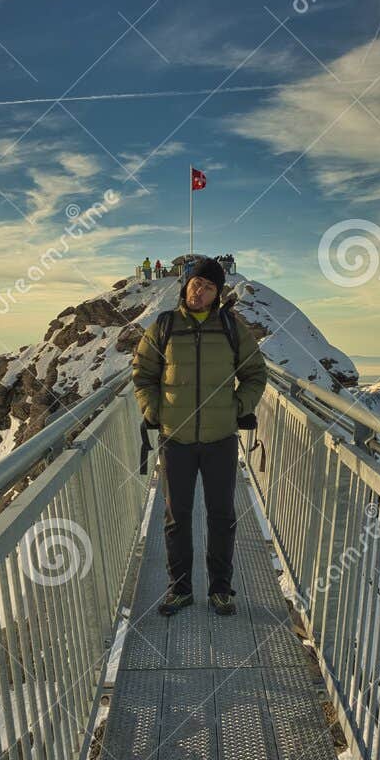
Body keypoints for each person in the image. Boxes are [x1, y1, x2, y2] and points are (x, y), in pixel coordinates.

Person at [130, 255, 266, 616]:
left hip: (220, 439)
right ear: (185, 286)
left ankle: (221, 589)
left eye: (208, 286)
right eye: (195, 284)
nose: (199, 291)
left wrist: (239, 407)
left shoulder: (231, 328)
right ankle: (180, 589)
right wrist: (153, 410)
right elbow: (142, 374)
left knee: (221, 516)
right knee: (177, 518)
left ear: (217, 293)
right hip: (176, 439)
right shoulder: (163, 327)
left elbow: (255, 374)